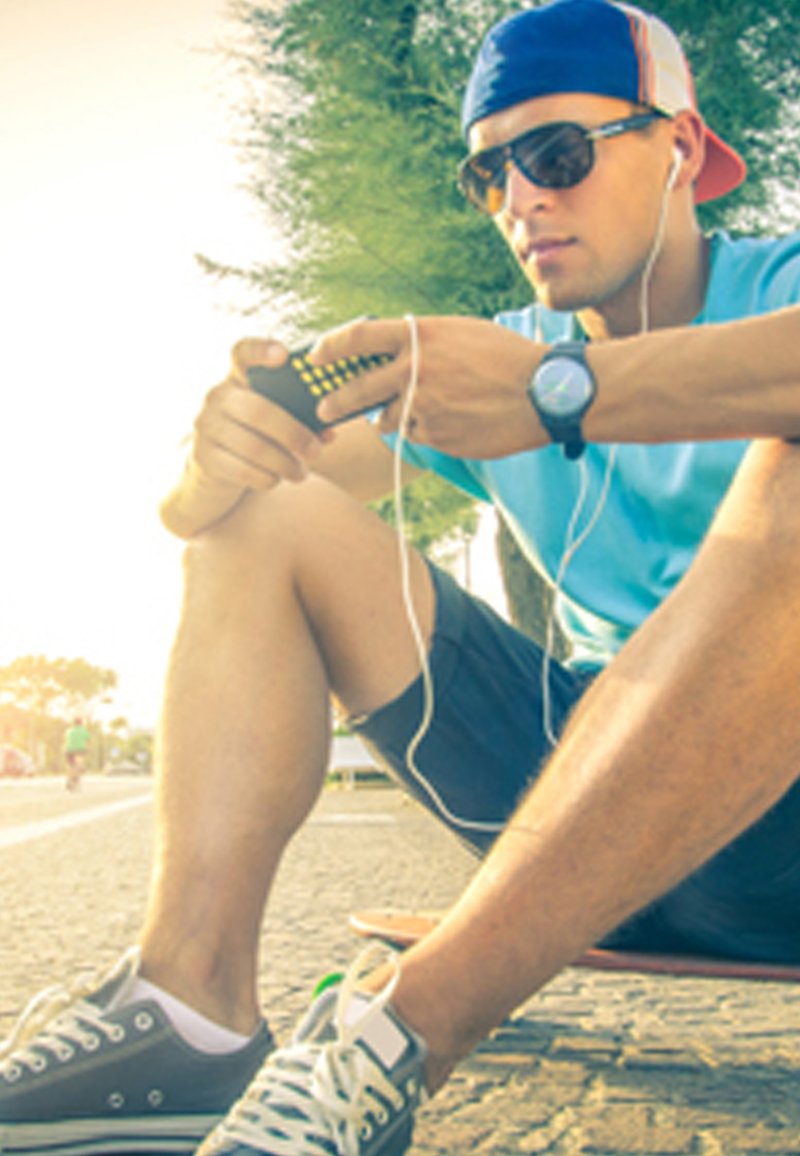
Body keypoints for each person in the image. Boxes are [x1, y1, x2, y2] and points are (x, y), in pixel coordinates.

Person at [2, 1, 799, 1153]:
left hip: (777, 829)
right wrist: (212, 455)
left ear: (678, 147)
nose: (521, 200)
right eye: (489, 175)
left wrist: (557, 392)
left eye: (557, 156)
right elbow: (226, 511)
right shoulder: (493, 352)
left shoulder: (761, 292)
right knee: (272, 513)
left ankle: (394, 1038)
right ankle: (187, 1014)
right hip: (577, 816)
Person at [63, 717, 90, 791]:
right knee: (79, 765)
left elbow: (66, 740)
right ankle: (75, 778)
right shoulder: (83, 731)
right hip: (80, 750)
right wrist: (88, 749)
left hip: (69, 750)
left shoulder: (69, 731)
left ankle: (69, 778)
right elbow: (88, 741)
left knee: (70, 765)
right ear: (81, 723)